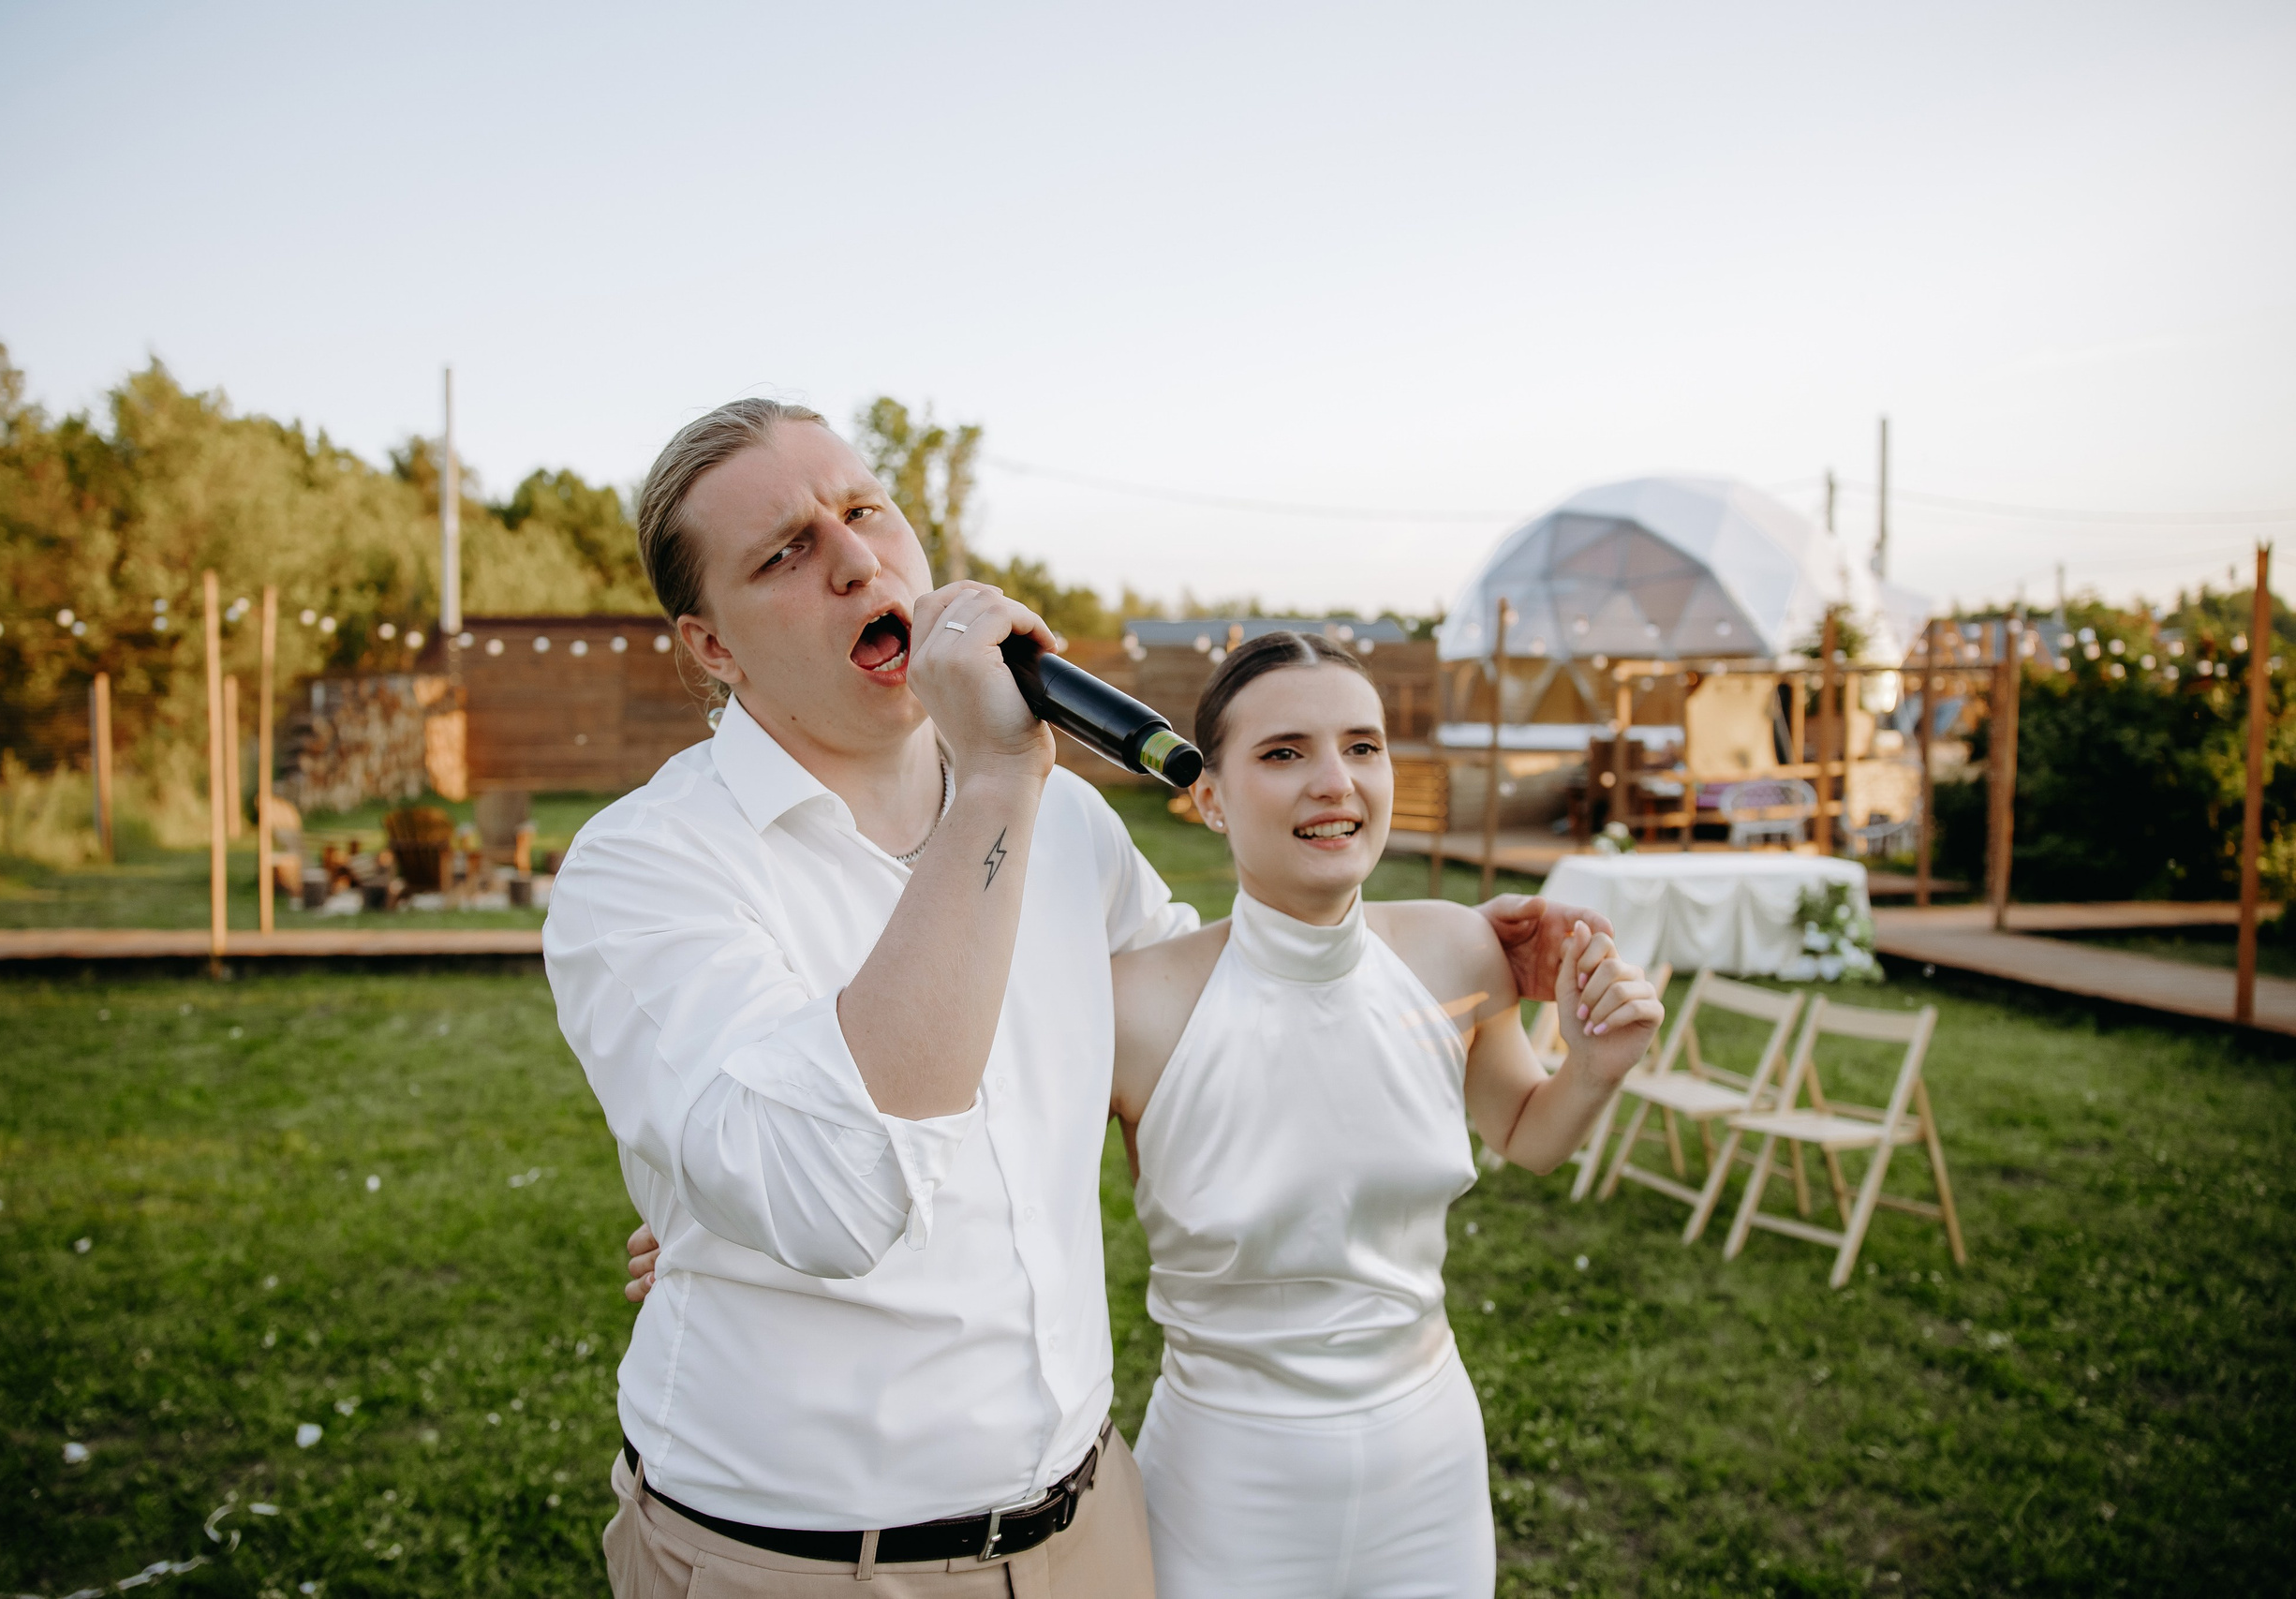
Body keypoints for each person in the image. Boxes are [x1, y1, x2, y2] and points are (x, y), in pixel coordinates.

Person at [560, 397, 1610, 1597]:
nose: (856, 562)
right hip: (809, 1562)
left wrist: (1432, 962)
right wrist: (999, 779)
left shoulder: (1067, 821)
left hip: (1091, 1531)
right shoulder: (646, 866)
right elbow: (834, 1197)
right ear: (712, 647)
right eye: (785, 552)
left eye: (863, 512)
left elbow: (1214, 1025)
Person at [1110, 630, 1662, 1597]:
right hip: (1226, 1483)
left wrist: (1598, 1066)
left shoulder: (1456, 950)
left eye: (1362, 747)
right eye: (1285, 753)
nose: (1336, 782)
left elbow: (1528, 1135)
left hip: (1429, 1462)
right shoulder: (1136, 1005)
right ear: (1206, 797)